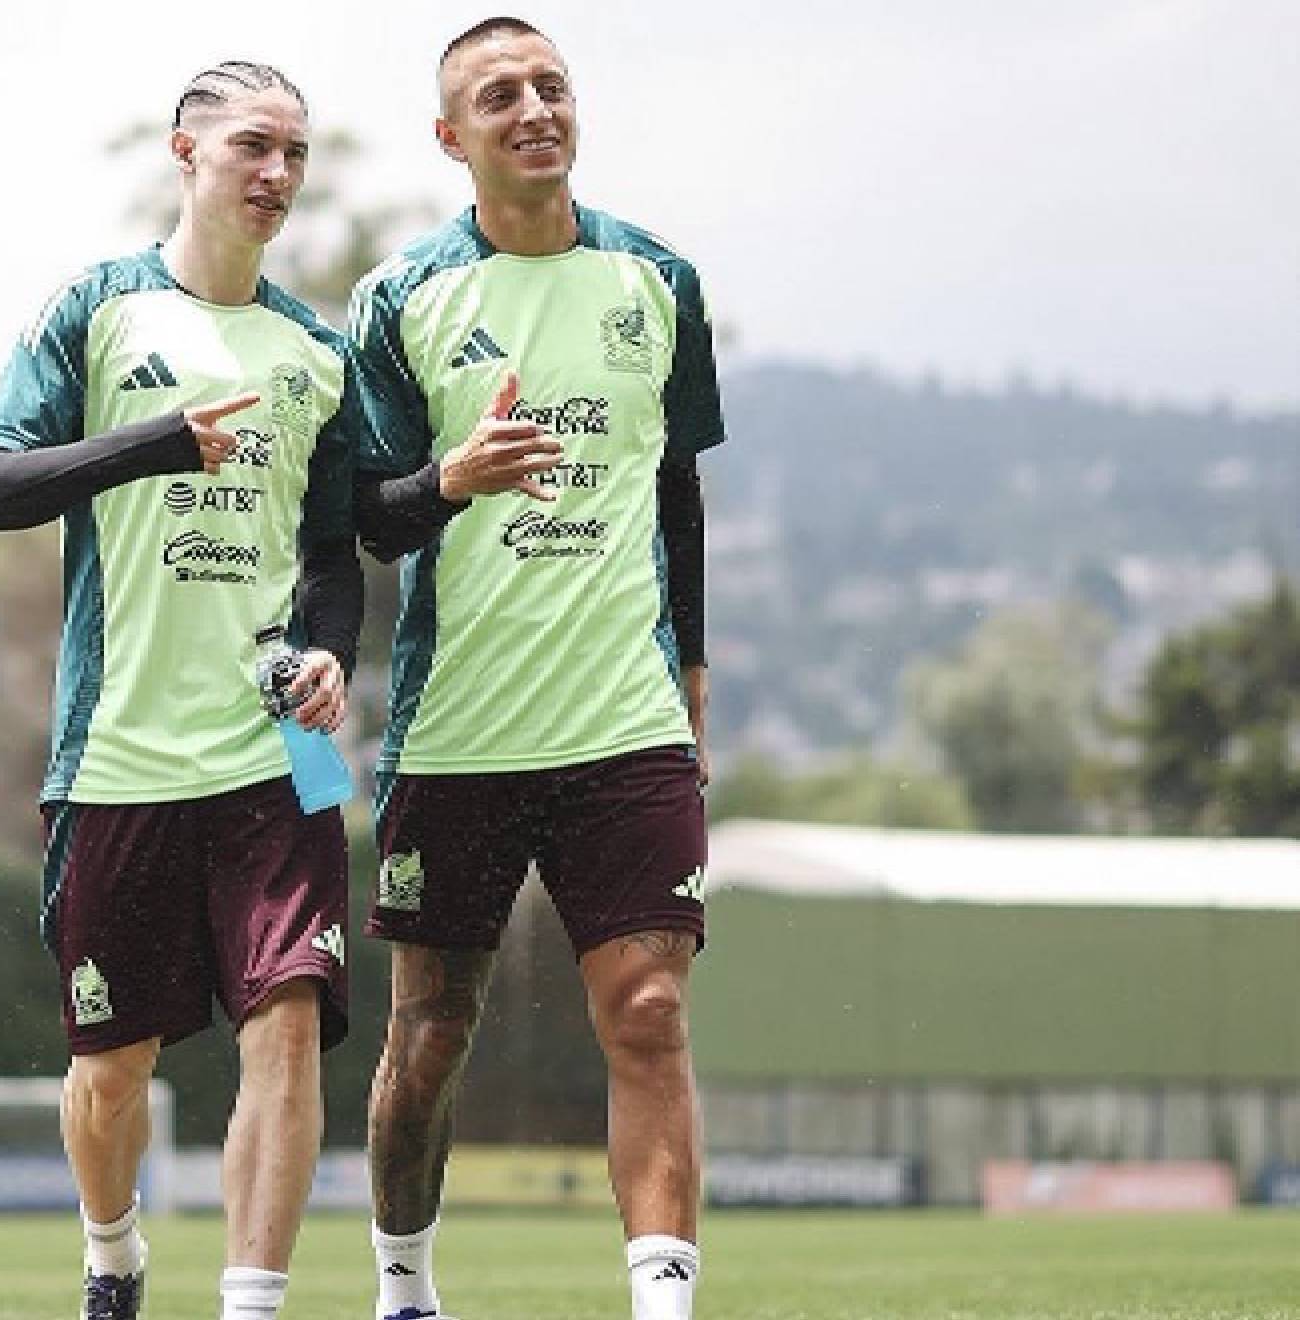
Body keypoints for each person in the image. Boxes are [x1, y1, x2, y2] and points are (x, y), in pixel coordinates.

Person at [0, 60, 363, 1320]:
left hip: (278, 756)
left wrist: (333, 649)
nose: (277, 173)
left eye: (295, 152)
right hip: (118, 757)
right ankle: (113, 1250)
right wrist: (157, 443)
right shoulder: (97, 311)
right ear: (186, 155)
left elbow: (335, 557)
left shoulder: (316, 352)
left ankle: (251, 1304)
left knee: (290, 1019)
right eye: (253, 145)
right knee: (112, 1065)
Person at [346, 17, 725, 1320]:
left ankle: (662, 1304)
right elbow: (367, 515)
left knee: (651, 1012)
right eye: (499, 95)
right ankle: (404, 1285)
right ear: (453, 139)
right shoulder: (402, 301)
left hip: (625, 724)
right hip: (459, 734)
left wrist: (694, 677)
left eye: (551, 86)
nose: (533, 109)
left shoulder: (658, 283)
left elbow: (676, 495)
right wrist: (451, 478)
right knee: (429, 1035)